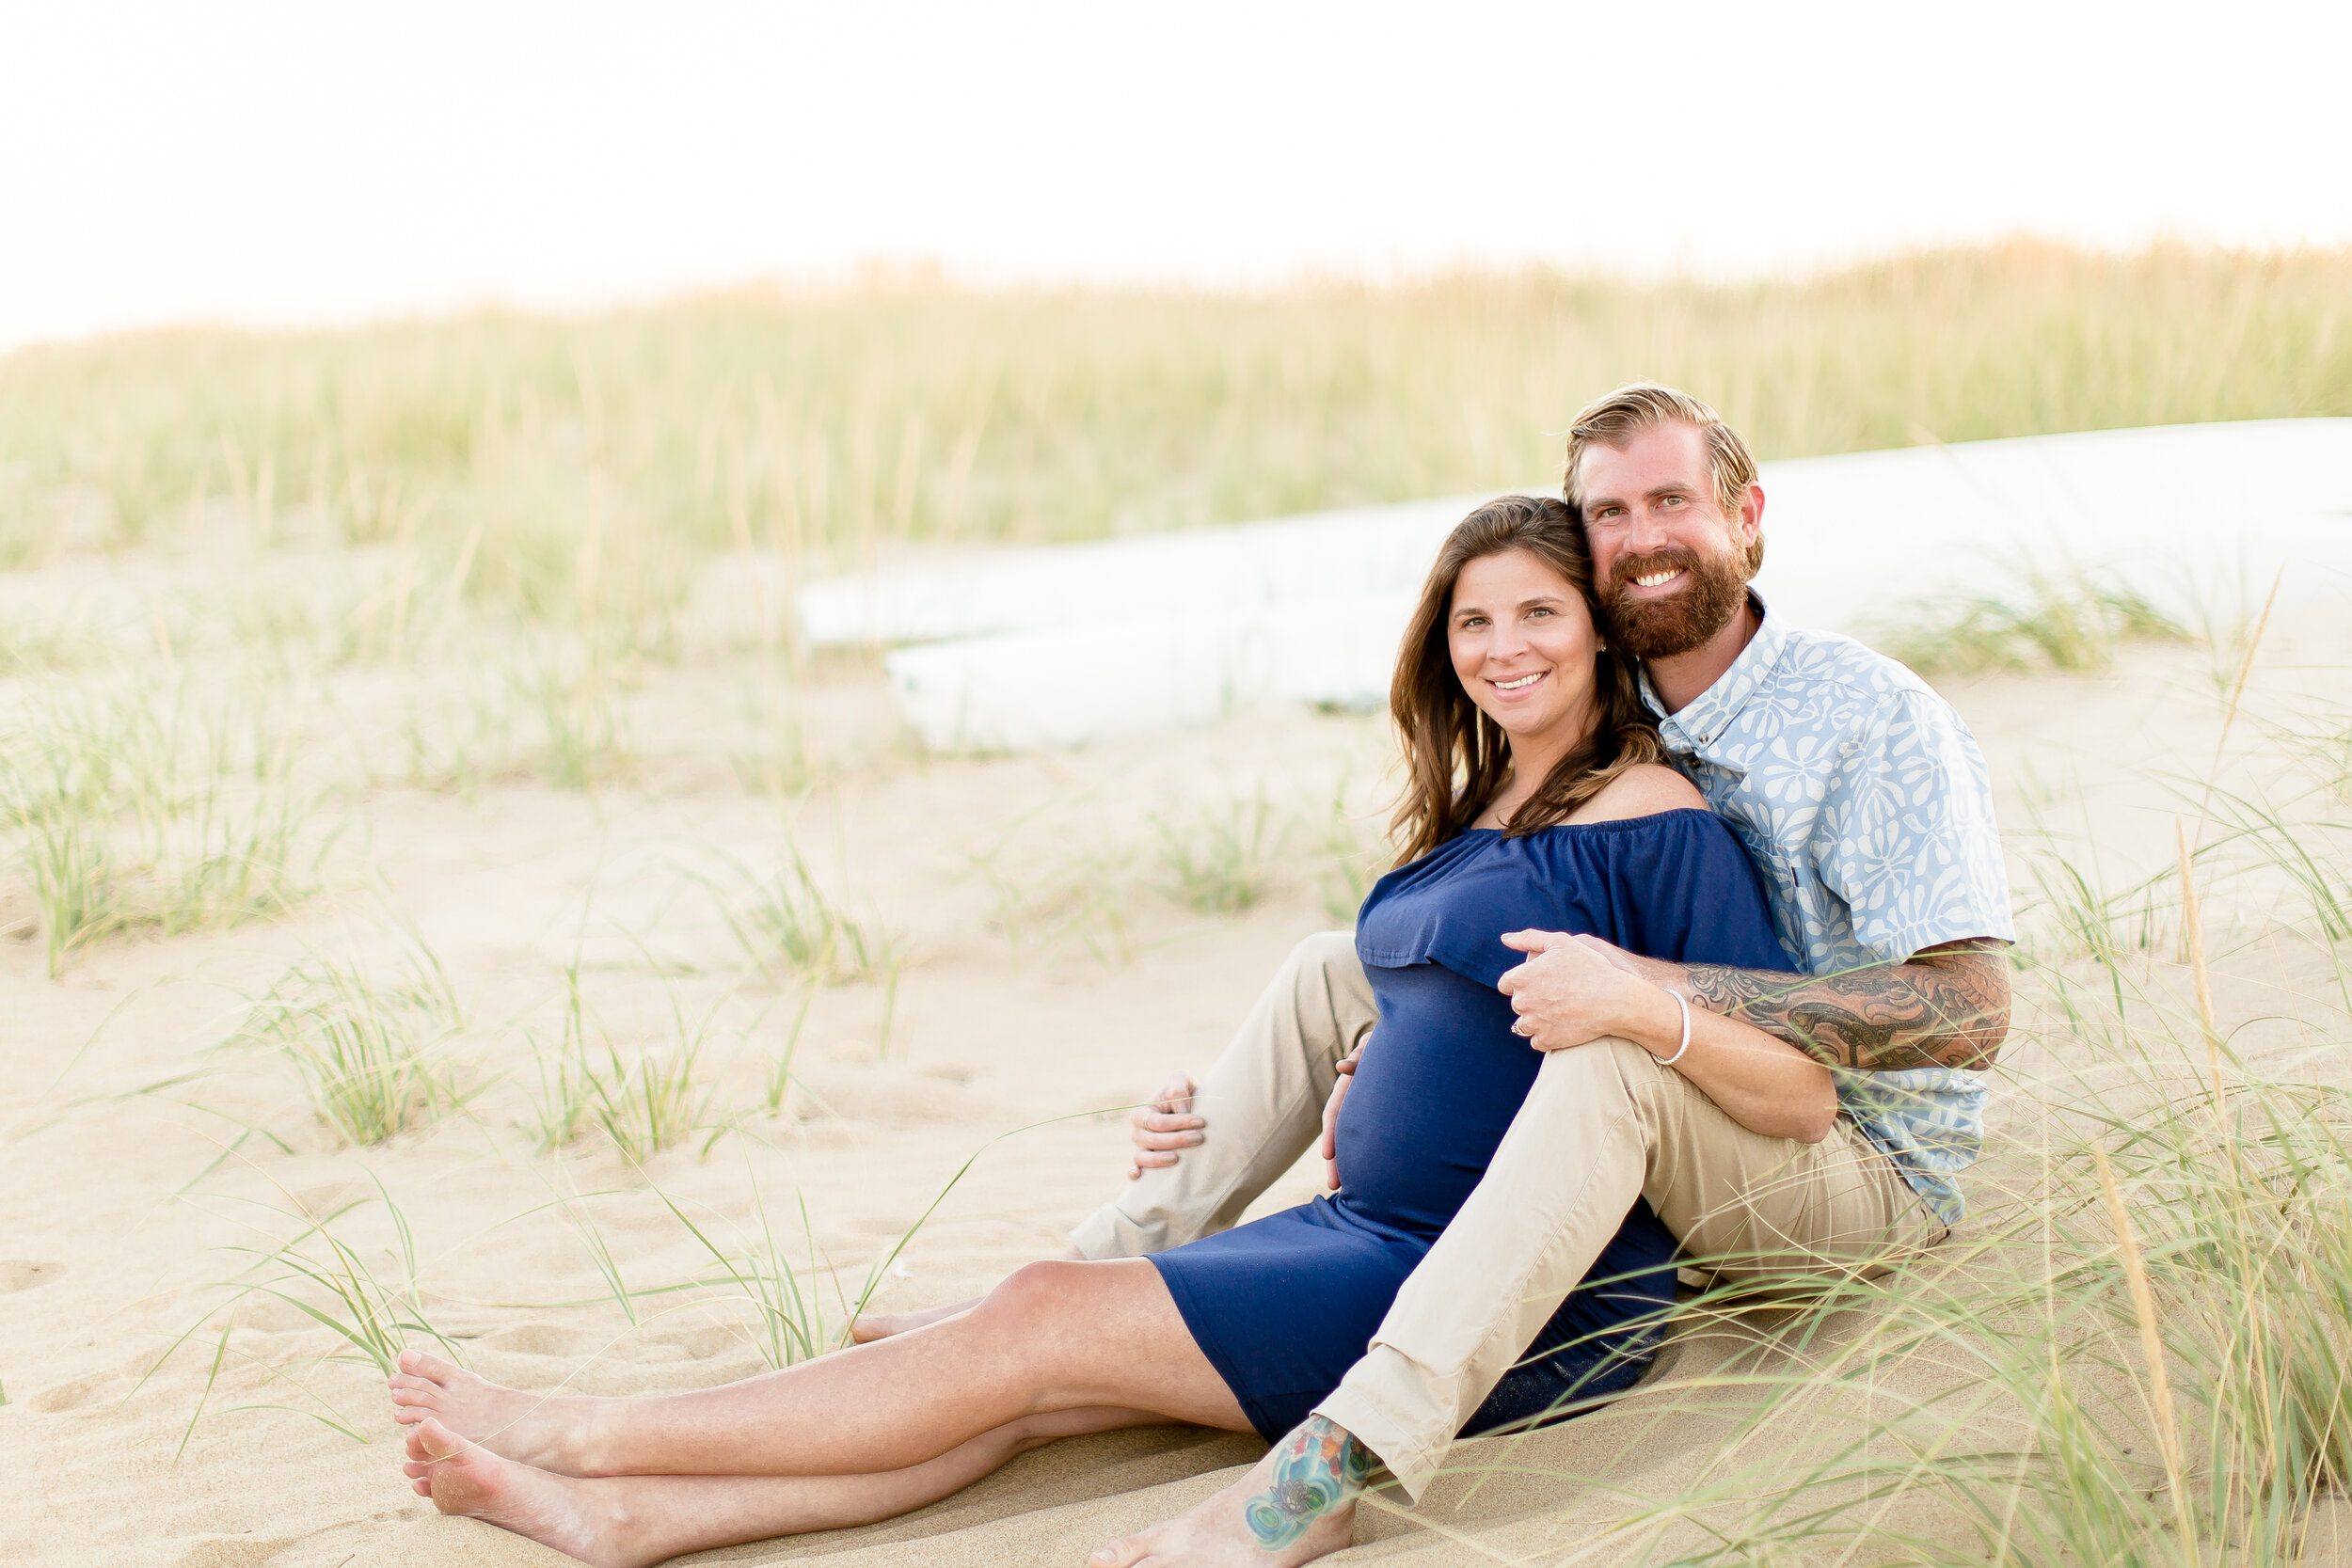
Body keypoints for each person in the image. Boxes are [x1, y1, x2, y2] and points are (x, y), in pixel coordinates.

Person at [386, 494, 1821, 1568]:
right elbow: (1444, 1009)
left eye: (1538, 614)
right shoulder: (1479, 810)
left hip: (1488, 1280)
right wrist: (1362, 1073)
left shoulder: (1660, 815)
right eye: (1474, 619)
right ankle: (629, 1516)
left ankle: (591, 1431)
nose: (1504, 646)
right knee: (1028, 1396)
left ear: (1596, 630)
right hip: (1362, 1217)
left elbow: (1761, 1072)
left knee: (1030, 1319)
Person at [1083, 383, 2016, 1567]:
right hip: (1678, 1113)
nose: (1640, 538)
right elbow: (1505, 922)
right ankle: (1098, 1255)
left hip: (1846, 1171)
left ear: (1746, 516)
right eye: (1610, 513)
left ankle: (1330, 1469)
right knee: (1333, 967)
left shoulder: (1871, 718)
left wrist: (1655, 990)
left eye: (1671, 500)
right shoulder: (1612, 687)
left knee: (1613, 1060)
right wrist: (1403, 1051)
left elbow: (1971, 1013)